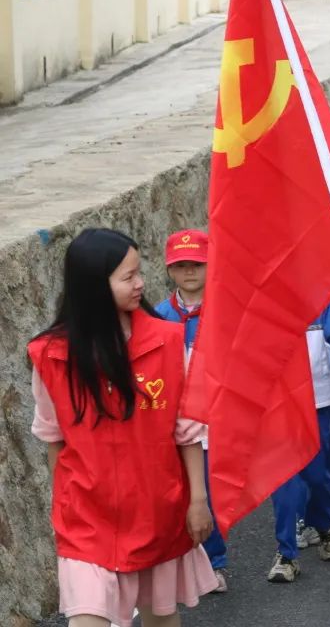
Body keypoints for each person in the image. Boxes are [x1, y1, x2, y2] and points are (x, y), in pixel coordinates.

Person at [28, 228, 216, 627]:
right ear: (95, 286)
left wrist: (197, 500)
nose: (141, 284)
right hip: (87, 521)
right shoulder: (50, 356)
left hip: (157, 511)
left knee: (160, 618)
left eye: (139, 272)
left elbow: (186, 431)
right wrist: (63, 503)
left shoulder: (167, 342)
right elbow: (52, 438)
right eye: (128, 277)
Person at [154, 229, 228, 594]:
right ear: (170, 270)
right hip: (175, 415)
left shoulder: (225, 310)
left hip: (218, 413)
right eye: (180, 266)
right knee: (184, 491)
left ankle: (214, 561)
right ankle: (203, 562)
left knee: (212, 491)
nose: (189, 273)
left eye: (196, 265)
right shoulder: (159, 316)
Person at [268, 299, 330, 582]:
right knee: (284, 481)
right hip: (277, 406)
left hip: (319, 402)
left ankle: (324, 524)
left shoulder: (323, 300)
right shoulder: (258, 301)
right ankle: (286, 554)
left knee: (317, 476)